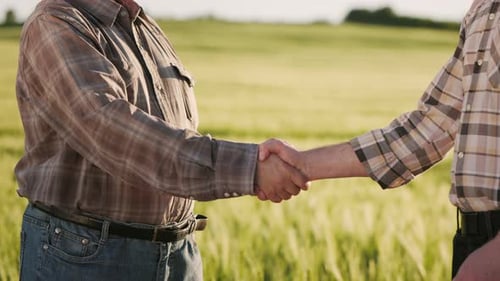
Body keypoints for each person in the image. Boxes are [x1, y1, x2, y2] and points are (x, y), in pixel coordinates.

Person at [14, 0, 309, 280]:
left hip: (179, 254)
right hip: (89, 256)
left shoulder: (143, 26)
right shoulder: (56, 22)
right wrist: (251, 169)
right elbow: (113, 132)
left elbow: (175, 133)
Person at [260, 0, 500, 280]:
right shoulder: (483, 10)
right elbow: (429, 127)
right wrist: (302, 163)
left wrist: (491, 259)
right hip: (474, 241)